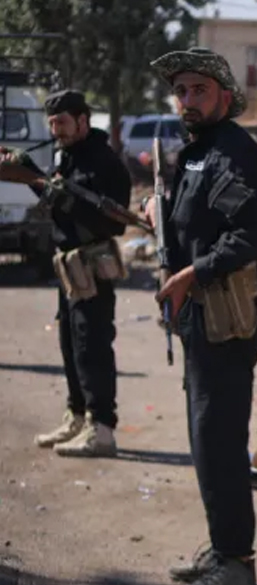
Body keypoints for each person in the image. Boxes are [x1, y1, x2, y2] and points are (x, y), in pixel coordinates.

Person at [142, 47, 257, 585]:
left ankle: (237, 566)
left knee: (219, 438)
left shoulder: (233, 151)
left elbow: (254, 233)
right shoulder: (194, 152)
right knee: (205, 437)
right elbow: (194, 222)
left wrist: (193, 273)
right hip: (200, 317)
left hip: (226, 316)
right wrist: (159, 216)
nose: (188, 100)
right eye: (181, 91)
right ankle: (223, 550)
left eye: (199, 90)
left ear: (225, 94)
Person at [1, 90, 132, 458]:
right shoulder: (68, 157)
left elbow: (112, 220)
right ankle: (77, 416)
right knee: (71, 345)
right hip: (69, 267)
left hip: (92, 266)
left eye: (62, 122)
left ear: (83, 121)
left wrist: (45, 186)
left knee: (93, 348)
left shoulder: (103, 162)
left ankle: (101, 429)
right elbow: (57, 199)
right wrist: (28, 173)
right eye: (52, 123)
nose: (56, 130)